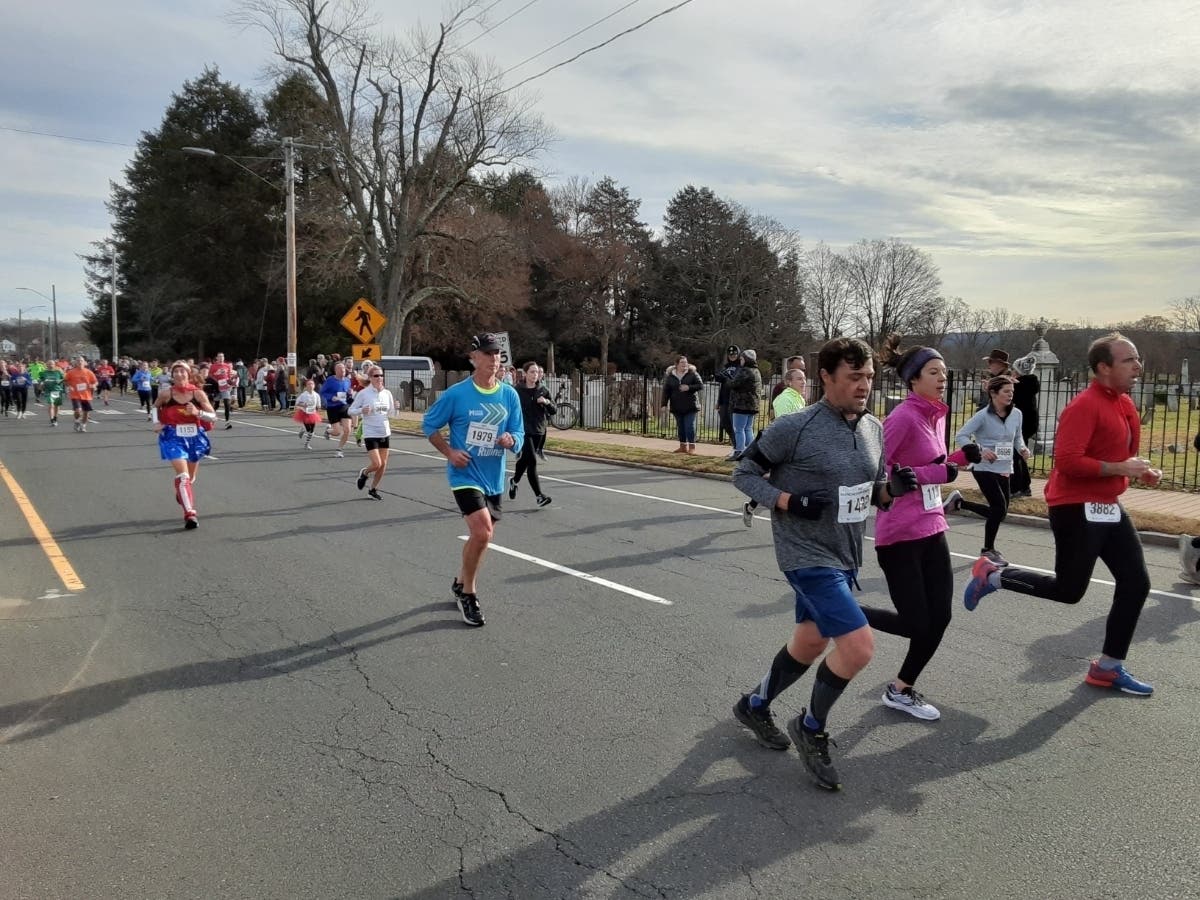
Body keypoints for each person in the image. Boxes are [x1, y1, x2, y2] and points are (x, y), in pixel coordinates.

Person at [730, 337, 918, 790]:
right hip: (805, 556)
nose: (864, 385)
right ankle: (811, 727)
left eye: (869, 377)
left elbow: (874, 493)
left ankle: (754, 706)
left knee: (810, 644)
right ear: (827, 378)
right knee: (859, 648)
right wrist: (789, 501)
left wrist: (897, 489)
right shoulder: (795, 427)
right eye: (854, 377)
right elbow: (743, 473)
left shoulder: (873, 428)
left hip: (845, 554)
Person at [963, 333, 1162, 696]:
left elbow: (1119, 456)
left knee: (1136, 583)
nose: (1138, 366)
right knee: (1069, 591)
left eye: (1137, 360)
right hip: (1074, 506)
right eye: (1128, 360)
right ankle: (993, 575)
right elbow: (1067, 462)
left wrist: (1137, 471)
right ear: (1103, 368)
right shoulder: (1084, 406)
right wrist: (1120, 466)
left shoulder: (1124, 404)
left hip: (1107, 506)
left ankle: (1108, 667)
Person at [865, 335, 983, 720]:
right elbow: (879, 471)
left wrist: (959, 459)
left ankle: (901, 689)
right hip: (899, 533)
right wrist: (939, 470)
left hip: (932, 526)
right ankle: (840, 609)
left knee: (941, 617)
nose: (942, 378)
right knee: (916, 622)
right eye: (934, 372)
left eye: (944, 373)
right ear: (913, 379)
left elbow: (935, 466)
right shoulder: (901, 418)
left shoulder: (935, 415)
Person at [422, 333, 524, 628]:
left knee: (482, 537)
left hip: (493, 477)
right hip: (464, 474)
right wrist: (450, 452)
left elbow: (518, 433)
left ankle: (459, 581)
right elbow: (429, 425)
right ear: (473, 357)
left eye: (498, 354)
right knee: (482, 533)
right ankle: (469, 594)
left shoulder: (509, 395)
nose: (494, 359)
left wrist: (510, 439)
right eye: (488, 354)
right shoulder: (457, 394)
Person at [946, 375, 1030, 565]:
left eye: (1012, 392)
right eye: (1006, 392)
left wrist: (1023, 449)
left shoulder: (1017, 414)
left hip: (1005, 466)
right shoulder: (983, 416)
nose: (1010, 395)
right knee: (999, 508)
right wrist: (981, 451)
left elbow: (1017, 439)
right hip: (983, 467)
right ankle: (988, 550)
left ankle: (960, 503)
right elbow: (962, 436)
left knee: (1000, 512)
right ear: (993, 393)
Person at [741, 366, 808, 527]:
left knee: (776, 480)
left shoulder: (798, 398)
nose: (803, 382)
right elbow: (788, 427)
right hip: (785, 448)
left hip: (796, 447)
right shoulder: (785, 399)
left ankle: (751, 507)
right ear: (789, 382)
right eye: (799, 379)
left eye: (804, 378)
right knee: (781, 480)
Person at [154, 360, 217, 529]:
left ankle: (182, 493)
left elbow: (213, 417)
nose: (179, 374)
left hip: (195, 437)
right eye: (176, 372)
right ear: (172, 375)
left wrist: (198, 412)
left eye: (182, 371)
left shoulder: (198, 394)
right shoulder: (166, 394)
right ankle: (190, 514)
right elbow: (155, 407)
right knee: (183, 477)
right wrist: (156, 423)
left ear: (188, 374)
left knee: (190, 477)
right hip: (173, 435)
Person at [508, 361, 555, 507]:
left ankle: (514, 480)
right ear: (525, 374)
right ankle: (539, 496)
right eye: (532, 372)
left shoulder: (543, 390)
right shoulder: (517, 390)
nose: (535, 375)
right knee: (532, 461)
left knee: (526, 460)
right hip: (522, 430)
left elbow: (554, 410)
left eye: (537, 372)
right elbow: (510, 409)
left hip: (538, 430)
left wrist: (546, 402)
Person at [347, 366, 396, 500]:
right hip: (370, 432)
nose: (379, 378)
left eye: (381, 375)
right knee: (376, 464)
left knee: (383, 464)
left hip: (384, 431)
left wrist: (396, 408)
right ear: (370, 378)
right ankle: (365, 472)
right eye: (376, 376)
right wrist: (362, 410)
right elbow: (350, 411)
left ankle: (373, 489)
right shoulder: (364, 393)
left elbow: (391, 413)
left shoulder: (387, 393)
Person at [1009, 353, 1040, 497]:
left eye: (1014, 370)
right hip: (1028, 423)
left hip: (1023, 424)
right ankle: (1024, 486)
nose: (1012, 373)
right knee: (1019, 455)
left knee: (1016, 455)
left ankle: (1017, 487)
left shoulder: (1021, 387)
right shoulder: (1028, 385)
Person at [661, 355, 703, 454]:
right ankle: (683, 446)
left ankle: (692, 447)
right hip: (676, 406)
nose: (685, 364)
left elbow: (700, 385)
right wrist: (664, 404)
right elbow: (666, 391)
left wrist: (688, 387)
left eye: (686, 362)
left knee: (689, 426)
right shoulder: (671, 376)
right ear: (676, 364)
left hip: (690, 405)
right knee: (681, 427)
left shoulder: (692, 373)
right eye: (682, 363)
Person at [727, 349, 763, 460]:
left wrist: (727, 377)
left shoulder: (745, 371)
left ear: (747, 359)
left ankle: (739, 451)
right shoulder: (756, 371)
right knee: (748, 428)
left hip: (742, 404)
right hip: (753, 404)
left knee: (739, 429)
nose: (740, 360)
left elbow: (733, 384)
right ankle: (752, 452)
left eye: (742, 358)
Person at [319, 361, 354, 458]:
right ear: (335, 371)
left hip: (344, 406)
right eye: (340, 369)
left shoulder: (347, 380)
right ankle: (328, 431)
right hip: (332, 407)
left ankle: (339, 450)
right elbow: (323, 392)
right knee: (337, 432)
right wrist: (331, 397)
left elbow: (347, 394)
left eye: (343, 369)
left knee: (347, 430)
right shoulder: (330, 380)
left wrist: (350, 393)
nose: (342, 370)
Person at [714, 345, 741, 450]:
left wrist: (727, 378)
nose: (732, 356)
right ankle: (735, 445)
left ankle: (738, 447)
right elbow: (722, 385)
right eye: (730, 354)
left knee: (734, 425)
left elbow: (736, 382)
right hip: (724, 399)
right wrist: (719, 401)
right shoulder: (726, 366)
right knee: (725, 423)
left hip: (734, 399)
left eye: (734, 354)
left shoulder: (741, 367)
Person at [768, 355, 807, 421]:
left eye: (804, 370)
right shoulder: (781, 389)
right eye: (800, 369)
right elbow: (773, 412)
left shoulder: (798, 394)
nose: (802, 372)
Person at [66, 357, 99, 432]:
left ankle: (83, 426)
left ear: (84, 363)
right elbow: (66, 381)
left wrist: (94, 386)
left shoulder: (89, 372)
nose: (80, 362)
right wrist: (69, 386)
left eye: (81, 361)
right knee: (77, 410)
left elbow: (95, 382)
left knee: (86, 412)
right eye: (78, 361)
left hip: (86, 395)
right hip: (75, 394)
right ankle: (77, 421)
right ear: (75, 363)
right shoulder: (71, 372)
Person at [293, 378, 323, 449]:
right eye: (309, 384)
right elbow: (297, 403)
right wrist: (303, 405)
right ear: (306, 386)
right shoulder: (303, 395)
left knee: (312, 431)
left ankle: (307, 443)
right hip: (304, 413)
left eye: (312, 384)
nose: (310, 385)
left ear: (314, 385)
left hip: (313, 413)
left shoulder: (316, 395)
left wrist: (318, 407)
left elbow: (318, 405)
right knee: (308, 430)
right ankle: (304, 430)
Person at [209, 352, 236, 429]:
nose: (221, 358)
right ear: (217, 358)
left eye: (222, 357)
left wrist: (231, 381)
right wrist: (216, 381)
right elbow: (210, 375)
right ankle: (210, 418)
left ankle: (227, 422)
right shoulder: (213, 366)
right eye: (219, 357)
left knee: (226, 403)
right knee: (216, 405)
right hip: (217, 386)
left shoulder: (227, 366)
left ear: (224, 358)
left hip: (225, 386)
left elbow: (229, 376)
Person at [40, 360, 65, 426]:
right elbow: (41, 380)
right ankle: (52, 420)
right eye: (49, 364)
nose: (50, 365)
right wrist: (42, 384)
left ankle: (55, 418)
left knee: (56, 405)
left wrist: (60, 380)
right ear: (46, 365)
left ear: (54, 365)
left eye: (52, 364)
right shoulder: (44, 373)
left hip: (56, 390)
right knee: (51, 405)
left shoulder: (58, 372)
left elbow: (64, 379)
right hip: (48, 391)